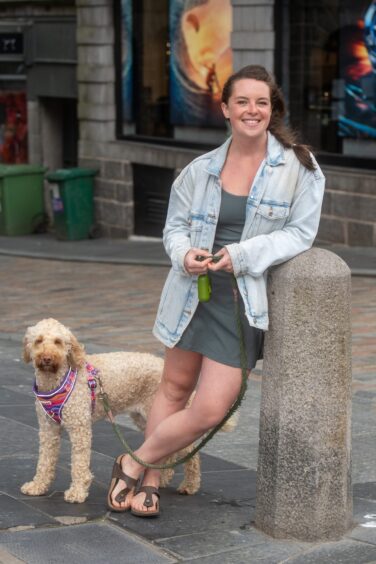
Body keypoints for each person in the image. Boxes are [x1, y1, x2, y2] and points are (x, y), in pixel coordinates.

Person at [107, 65, 325, 516]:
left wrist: (242, 255)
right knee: (173, 388)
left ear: (272, 109)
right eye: (242, 101)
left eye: (261, 102)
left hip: (243, 300)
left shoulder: (299, 168)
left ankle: (133, 460)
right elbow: (174, 229)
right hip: (192, 293)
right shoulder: (199, 170)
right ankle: (151, 481)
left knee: (210, 408)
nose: (252, 110)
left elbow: (300, 235)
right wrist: (184, 253)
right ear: (225, 109)